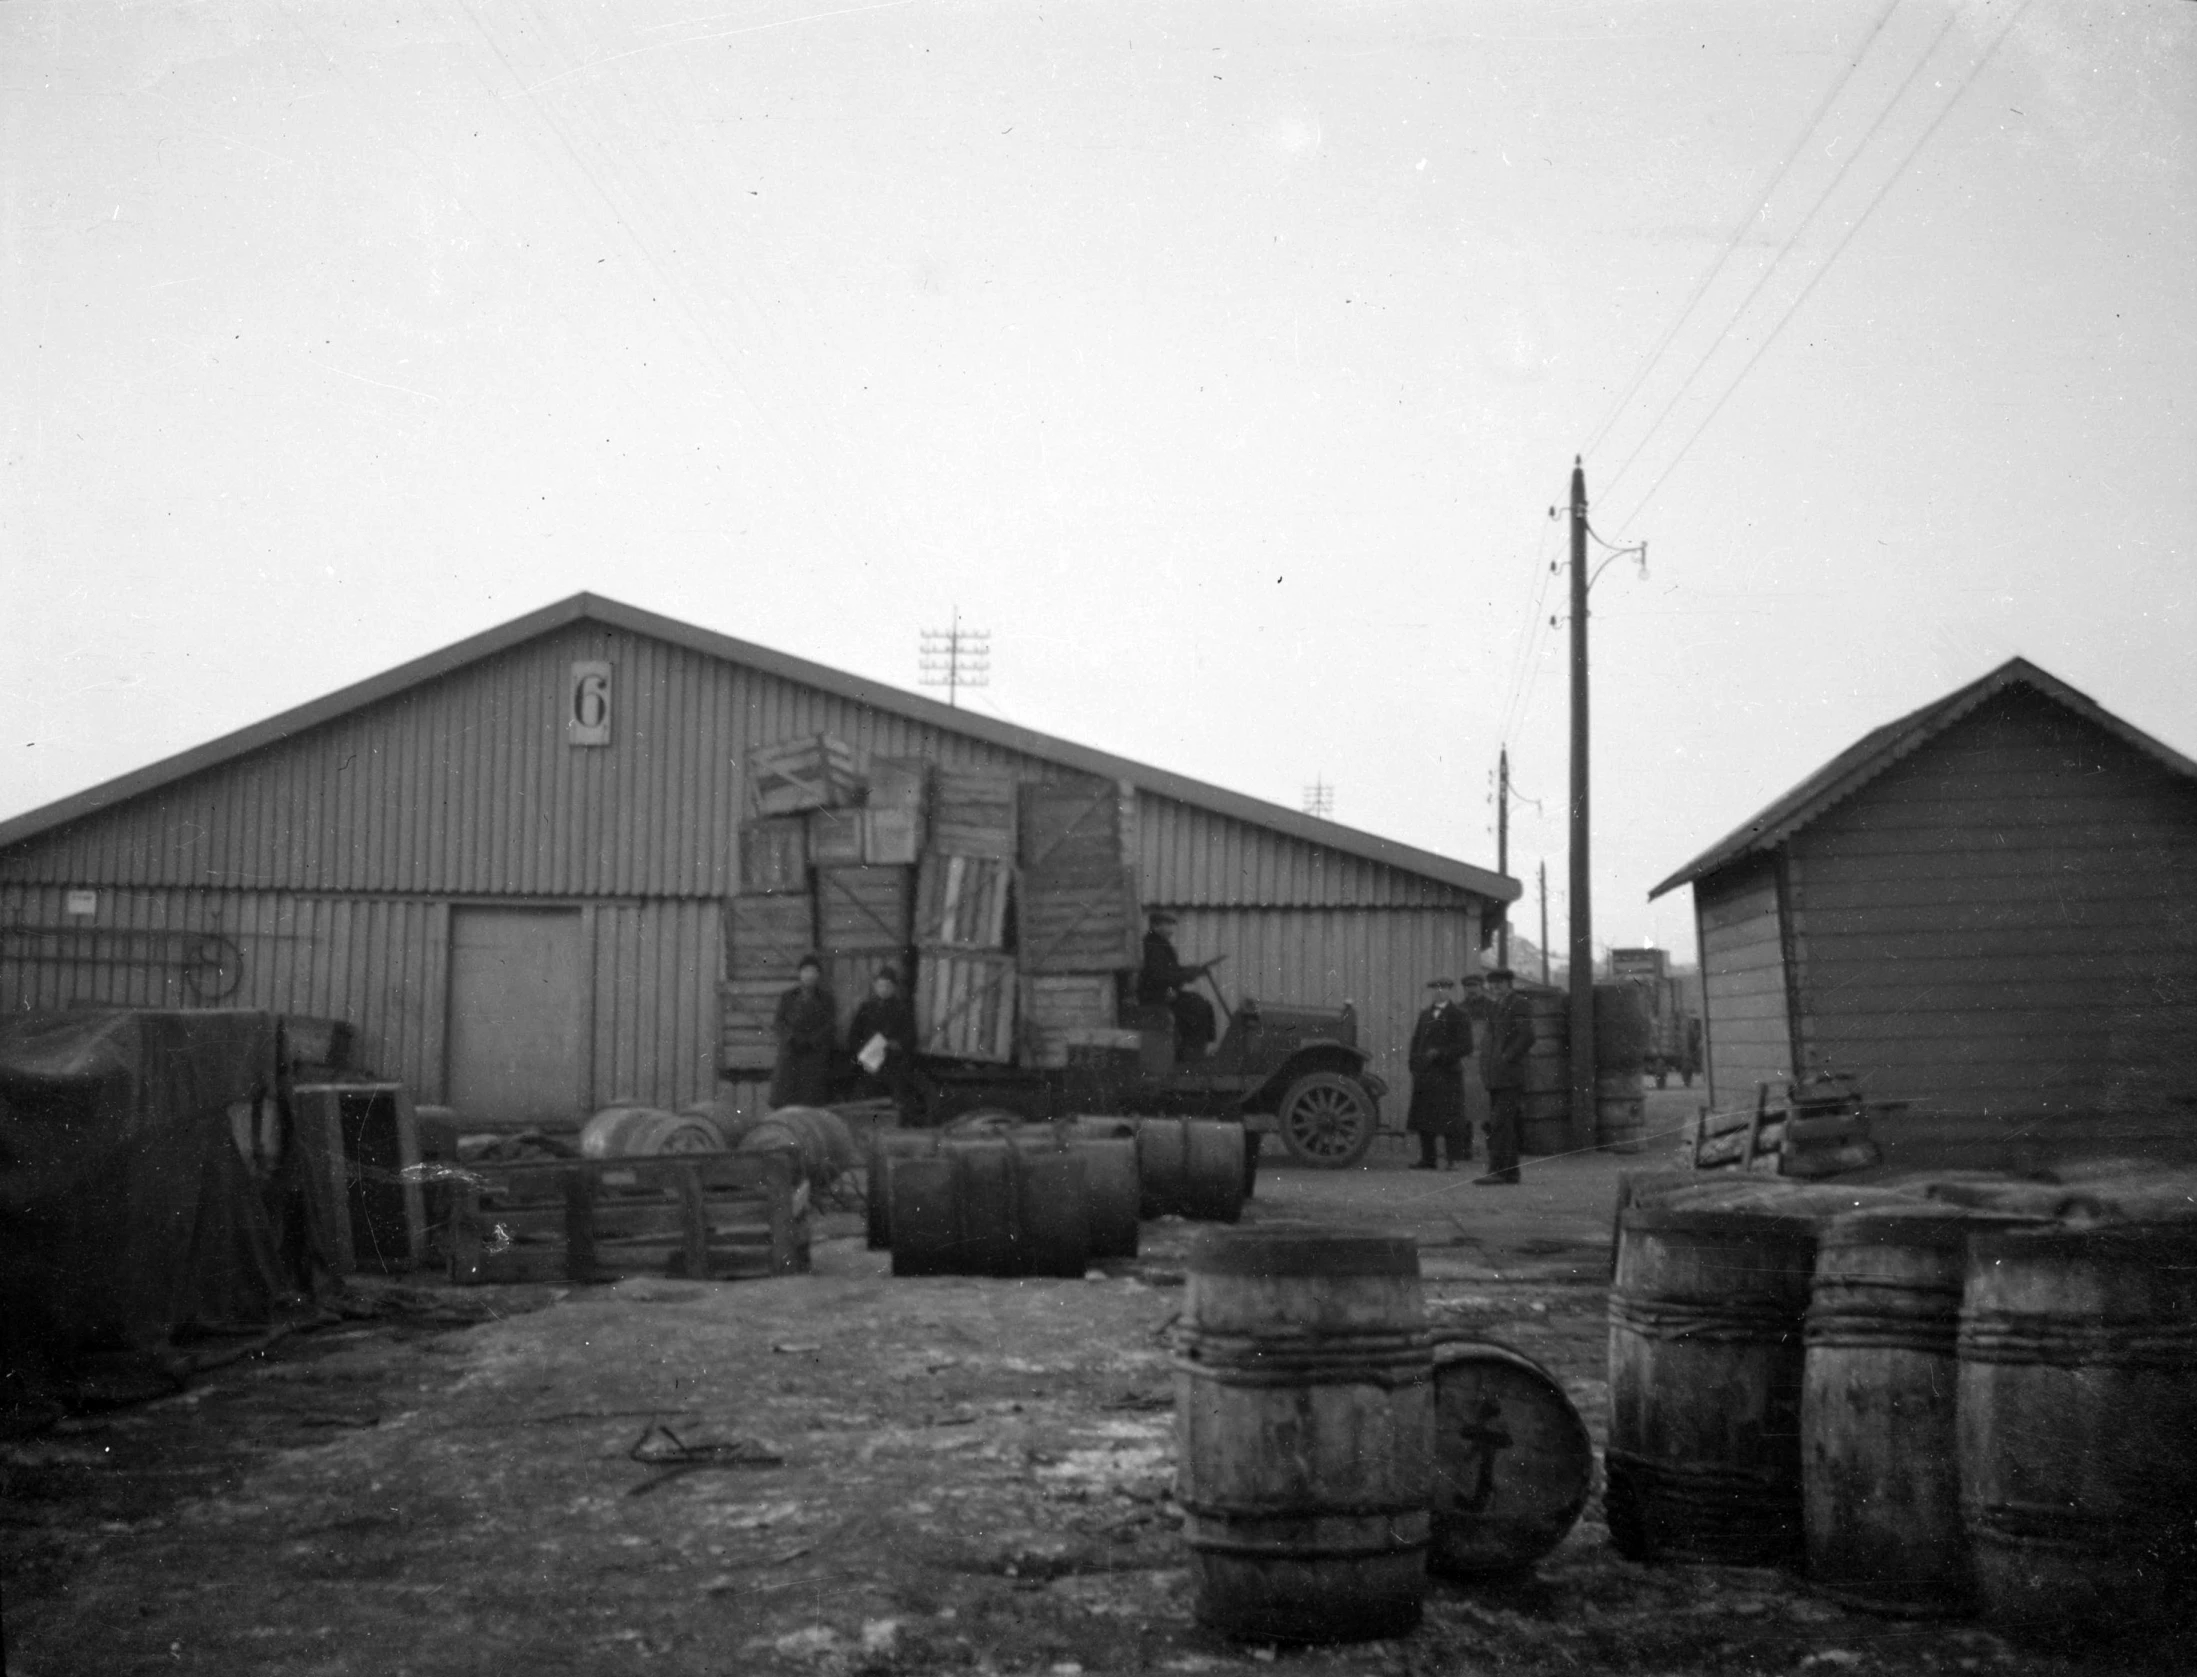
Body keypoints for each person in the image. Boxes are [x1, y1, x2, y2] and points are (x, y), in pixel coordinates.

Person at [1405, 977, 1474, 1170]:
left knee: (1450, 1119)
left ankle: (1452, 1160)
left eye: (1444, 988)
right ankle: (1428, 1159)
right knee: (1424, 1117)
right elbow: (1416, 1040)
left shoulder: (1459, 1015)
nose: (1439, 992)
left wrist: (1441, 1053)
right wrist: (1414, 1063)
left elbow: (1466, 1046)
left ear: (1451, 991)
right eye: (1435, 988)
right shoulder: (1425, 1014)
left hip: (1448, 1073)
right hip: (1426, 1074)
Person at [1477, 967, 1533, 1184]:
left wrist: (1506, 1057)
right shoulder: (1496, 1006)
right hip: (1496, 1077)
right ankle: (1509, 1173)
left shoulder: (1518, 1004)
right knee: (1501, 1124)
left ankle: (1499, 1172)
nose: (1495, 987)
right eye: (1492, 984)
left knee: (1501, 1123)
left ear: (1510, 984)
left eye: (1500, 983)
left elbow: (1527, 1036)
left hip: (1509, 1076)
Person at [1137, 910, 1218, 1060]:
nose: (1171, 930)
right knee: (1197, 1007)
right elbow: (1158, 976)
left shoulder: (1159, 944)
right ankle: (1190, 1055)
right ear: (1156, 926)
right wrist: (1185, 975)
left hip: (1164, 992)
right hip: (1155, 996)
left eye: (1171, 925)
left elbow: (1170, 971)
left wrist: (1191, 970)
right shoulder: (1152, 946)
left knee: (1202, 1004)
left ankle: (1196, 1050)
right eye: (1167, 925)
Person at [846, 963, 918, 1113]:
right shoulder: (866, 1008)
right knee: (866, 1101)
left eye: (888, 986)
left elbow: (910, 1037)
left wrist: (894, 1045)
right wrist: (863, 1052)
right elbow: (854, 1035)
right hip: (868, 1063)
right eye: (880, 985)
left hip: (892, 1063)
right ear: (875, 986)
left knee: (893, 1102)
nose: (884, 989)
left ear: (894, 988)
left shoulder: (902, 1010)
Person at [769, 954, 838, 1108]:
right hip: (790, 1052)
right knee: (785, 1097)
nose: (809, 976)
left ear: (818, 975)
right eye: (806, 971)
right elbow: (779, 1022)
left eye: (813, 972)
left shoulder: (826, 999)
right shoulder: (788, 997)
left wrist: (812, 1041)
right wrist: (792, 1038)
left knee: (810, 1098)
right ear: (800, 974)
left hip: (814, 1053)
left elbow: (830, 1025)